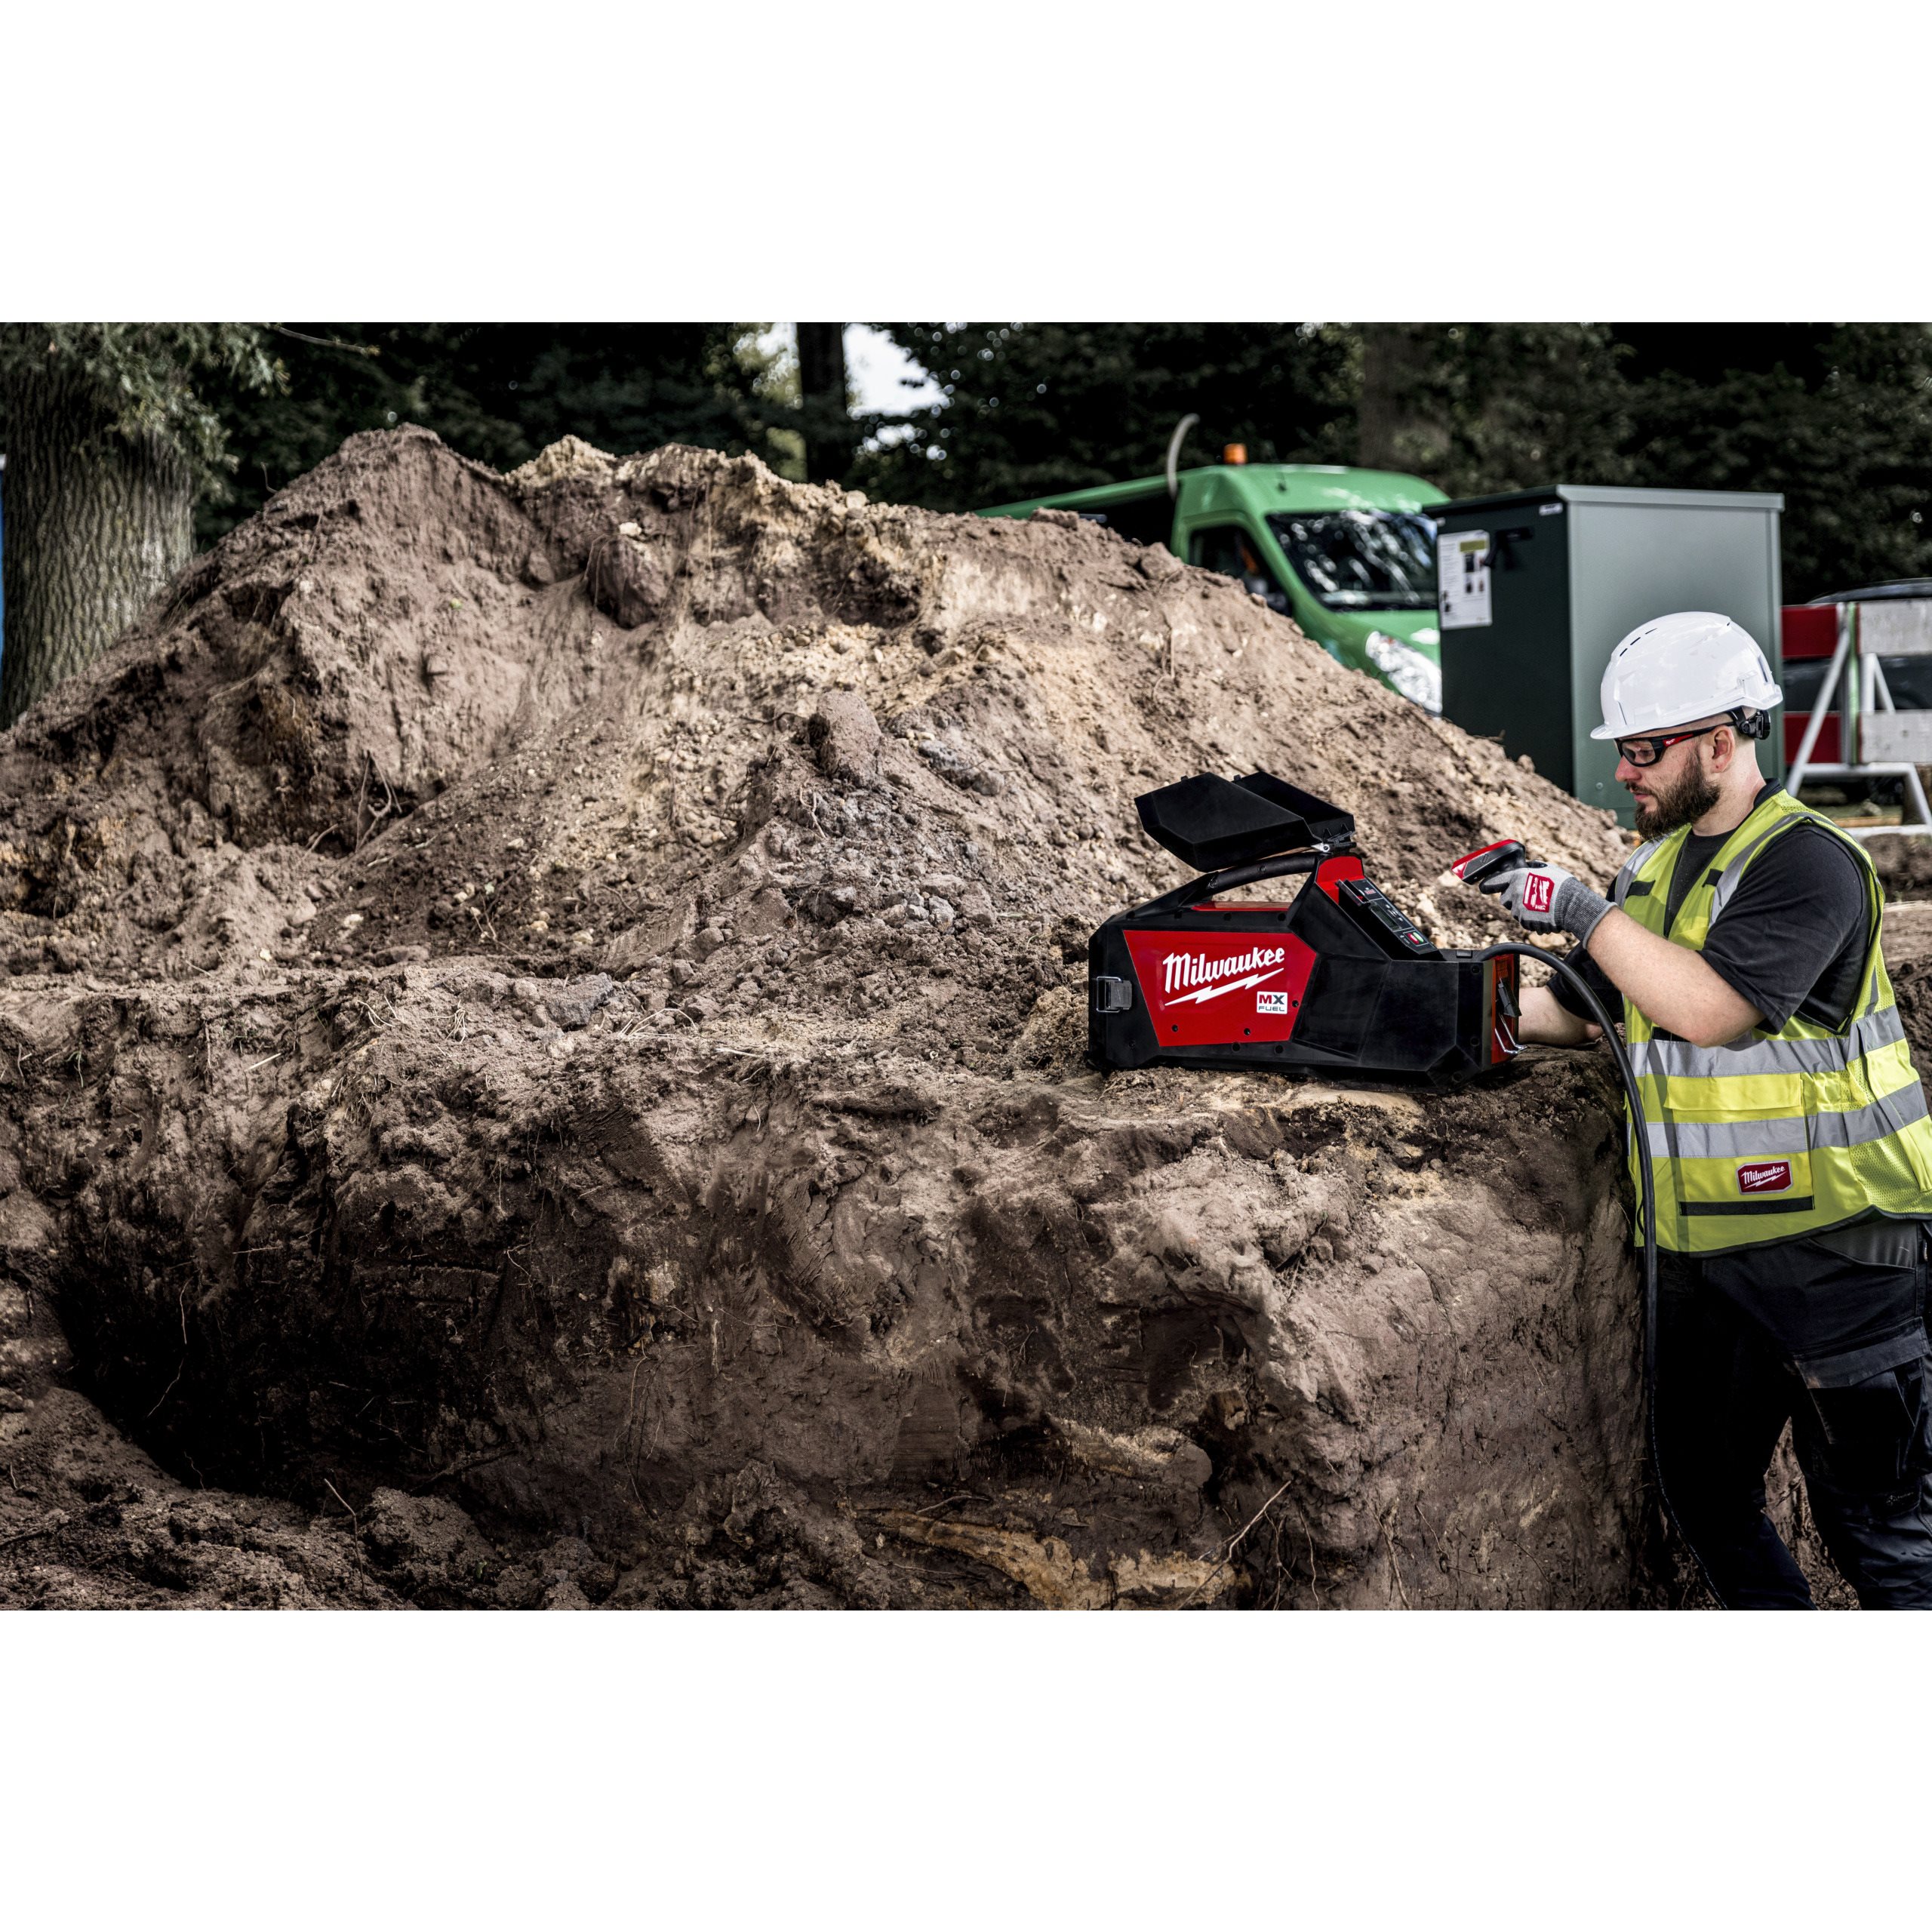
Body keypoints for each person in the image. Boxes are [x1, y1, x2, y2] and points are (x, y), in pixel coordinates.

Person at [1489, 610, 1932, 1609]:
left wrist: (1580, 911)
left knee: (1882, 1535)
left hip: (1842, 1256)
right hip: (1704, 1256)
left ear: (1721, 743)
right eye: (1624, 751)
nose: (1624, 772)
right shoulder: (1648, 871)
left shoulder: (1809, 861)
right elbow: (1586, 1013)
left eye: (1644, 750)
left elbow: (1708, 1009)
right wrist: (1448, 1005)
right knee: (1704, 1497)